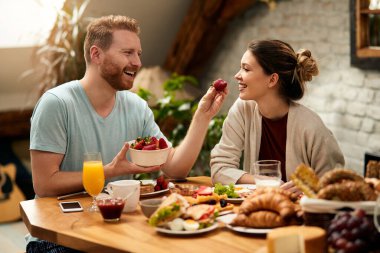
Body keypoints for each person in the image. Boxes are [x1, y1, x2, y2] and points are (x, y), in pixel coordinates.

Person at [27, 15, 227, 252]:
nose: (137, 62)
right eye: (127, 52)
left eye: (138, 54)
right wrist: (109, 171)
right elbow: (45, 184)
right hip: (60, 237)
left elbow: (175, 167)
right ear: (96, 54)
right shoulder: (57, 104)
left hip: (116, 229)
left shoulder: (136, 107)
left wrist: (202, 116)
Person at [210, 39, 344, 193]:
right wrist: (266, 182)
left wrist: (311, 188)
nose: (237, 76)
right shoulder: (243, 109)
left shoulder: (312, 127)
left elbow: (336, 185)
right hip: (258, 209)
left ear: (272, 79)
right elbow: (220, 168)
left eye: (246, 69)